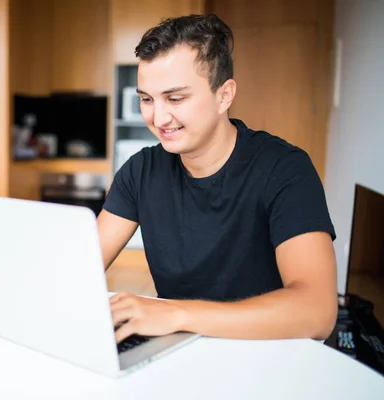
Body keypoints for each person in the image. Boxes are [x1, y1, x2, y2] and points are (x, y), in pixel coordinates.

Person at [99, 14, 338, 344]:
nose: (157, 118)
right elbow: (81, 269)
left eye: (176, 98)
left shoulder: (285, 169)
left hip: (264, 354)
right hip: (176, 353)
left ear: (224, 95)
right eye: (146, 99)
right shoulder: (140, 171)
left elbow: (317, 312)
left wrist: (178, 314)